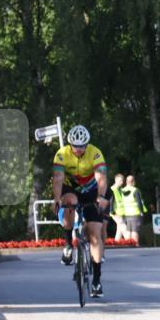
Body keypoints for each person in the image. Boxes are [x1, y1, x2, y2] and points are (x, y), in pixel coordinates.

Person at [52, 124, 109, 297]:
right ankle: (69, 243)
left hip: (92, 190)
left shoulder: (95, 153)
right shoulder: (62, 154)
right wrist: (56, 199)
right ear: (70, 145)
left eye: (82, 146)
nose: (78, 149)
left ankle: (97, 281)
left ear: (87, 144)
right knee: (69, 202)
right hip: (71, 188)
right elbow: (58, 178)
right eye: (75, 146)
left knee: (94, 233)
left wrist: (100, 197)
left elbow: (101, 177)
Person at [120, 174, 147, 244]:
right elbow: (139, 202)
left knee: (128, 230)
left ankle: (129, 244)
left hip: (126, 213)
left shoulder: (122, 190)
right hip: (135, 213)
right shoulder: (135, 190)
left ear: (126, 182)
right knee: (135, 230)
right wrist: (141, 211)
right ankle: (135, 244)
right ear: (133, 182)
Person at [109, 173, 127, 241]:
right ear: (115, 180)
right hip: (115, 211)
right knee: (123, 225)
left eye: (122, 181)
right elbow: (111, 201)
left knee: (119, 228)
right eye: (120, 181)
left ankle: (116, 241)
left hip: (121, 211)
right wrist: (112, 211)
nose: (121, 182)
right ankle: (130, 240)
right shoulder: (113, 189)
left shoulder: (120, 189)